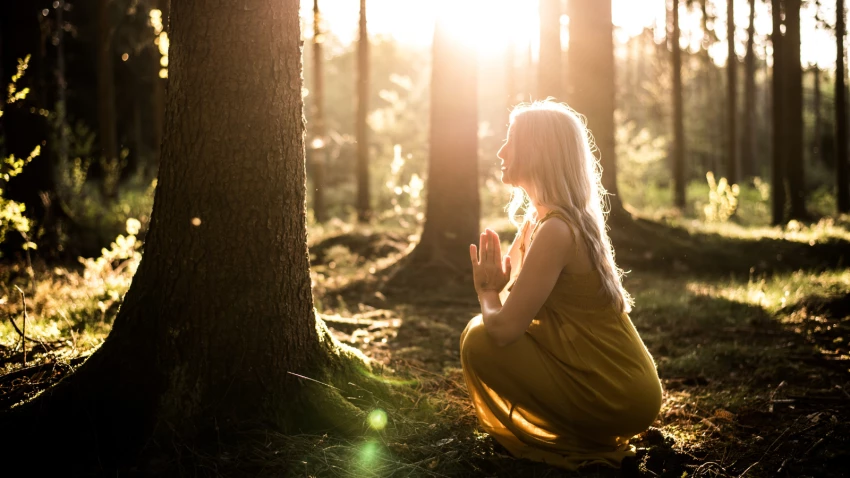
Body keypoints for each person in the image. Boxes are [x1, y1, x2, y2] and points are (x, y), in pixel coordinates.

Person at [460, 100, 663, 470]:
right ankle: (585, 435)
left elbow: (503, 330)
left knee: (478, 338)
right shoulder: (540, 224)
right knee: (479, 333)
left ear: (538, 150)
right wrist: (500, 290)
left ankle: (583, 443)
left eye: (511, 139)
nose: (501, 150)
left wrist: (487, 291)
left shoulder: (556, 229)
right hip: (615, 384)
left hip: (620, 391)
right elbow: (518, 320)